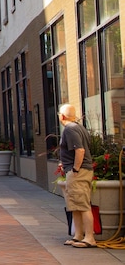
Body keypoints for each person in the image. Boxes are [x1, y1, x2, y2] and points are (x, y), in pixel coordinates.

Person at [58, 104, 97, 248]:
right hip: (78, 170)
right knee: (74, 204)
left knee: (82, 204)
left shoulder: (70, 129)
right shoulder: (79, 127)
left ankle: (89, 238)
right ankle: (78, 235)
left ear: (62, 116)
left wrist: (75, 168)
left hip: (78, 172)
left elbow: (79, 150)